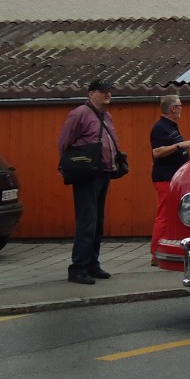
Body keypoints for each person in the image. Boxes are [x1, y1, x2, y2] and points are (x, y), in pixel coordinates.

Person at [57, 78, 120, 285]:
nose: (107, 94)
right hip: (86, 174)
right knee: (87, 222)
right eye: (103, 91)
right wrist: (65, 166)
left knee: (97, 222)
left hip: (103, 172)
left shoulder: (106, 115)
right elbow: (64, 141)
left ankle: (92, 264)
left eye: (109, 91)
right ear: (91, 93)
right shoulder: (79, 114)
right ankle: (77, 268)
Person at [150, 93, 190, 266]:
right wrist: (179, 145)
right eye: (180, 106)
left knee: (173, 215)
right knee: (164, 216)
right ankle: (156, 253)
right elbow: (157, 152)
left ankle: (167, 249)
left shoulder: (171, 127)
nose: (181, 108)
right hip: (165, 178)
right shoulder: (160, 127)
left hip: (174, 178)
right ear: (173, 108)